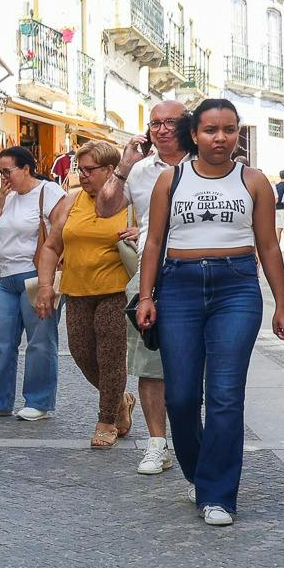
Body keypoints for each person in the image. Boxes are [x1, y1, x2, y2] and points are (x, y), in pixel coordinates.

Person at [135, 99, 284, 527]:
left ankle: (220, 494)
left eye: (228, 129)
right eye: (210, 130)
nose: (220, 138)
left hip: (236, 288)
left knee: (225, 395)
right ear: (195, 134)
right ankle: (198, 473)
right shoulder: (171, 179)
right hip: (179, 287)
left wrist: (282, 303)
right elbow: (153, 242)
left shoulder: (254, 181)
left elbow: (269, 246)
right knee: (182, 397)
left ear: (237, 133)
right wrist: (146, 295)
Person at [91, 100, 187, 475]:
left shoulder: (206, 167)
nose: (162, 130)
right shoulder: (141, 171)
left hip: (197, 271)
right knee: (150, 365)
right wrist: (124, 167)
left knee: (195, 368)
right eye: (155, 124)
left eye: (170, 123)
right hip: (153, 275)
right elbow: (105, 207)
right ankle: (157, 444)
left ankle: (194, 440)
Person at [35, 139, 130, 447]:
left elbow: (157, 233)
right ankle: (120, 400)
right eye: (80, 168)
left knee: (110, 356)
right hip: (76, 291)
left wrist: (141, 231)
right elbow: (51, 247)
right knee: (82, 354)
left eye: (89, 169)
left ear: (111, 170)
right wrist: (46, 287)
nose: (82, 175)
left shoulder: (128, 201)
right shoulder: (72, 200)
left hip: (115, 290)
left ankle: (106, 421)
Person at [0, 146, 66, 420]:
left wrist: (50, 279)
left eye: (7, 171)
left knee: (40, 341)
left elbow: (62, 231)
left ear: (26, 168)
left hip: (36, 275)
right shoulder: (9, 197)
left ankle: (38, 402)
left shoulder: (48, 192)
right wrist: (0, 204)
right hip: (5, 278)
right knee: (0, 340)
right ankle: (0, 400)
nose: (3, 177)